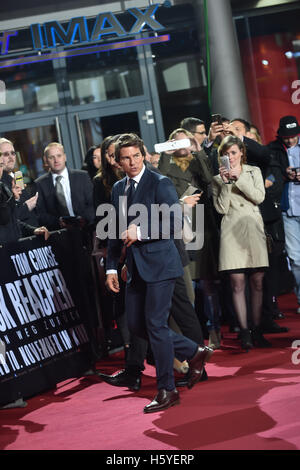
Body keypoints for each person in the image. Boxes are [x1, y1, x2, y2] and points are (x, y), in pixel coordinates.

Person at [105, 133, 213, 413]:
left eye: (137, 156)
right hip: (135, 269)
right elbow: (116, 231)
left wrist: (140, 232)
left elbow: (175, 222)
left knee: (155, 325)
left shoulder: (159, 182)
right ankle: (194, 351)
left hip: (163, 265)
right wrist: (110, 267)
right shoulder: (118, 188)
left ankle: (167, 389)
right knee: (139, 327)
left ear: (143, 156)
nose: (132, 162)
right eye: (126, 158)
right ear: (118, 162)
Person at [158, 128, 221, 350]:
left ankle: (214, 329)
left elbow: (209, 179)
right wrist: (167, 151)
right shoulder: (168, 165)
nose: (182, 145)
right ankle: (188, 337)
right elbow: (161, 178)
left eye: (185, 141)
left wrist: (199, 150)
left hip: (202, 225)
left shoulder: (197, 161)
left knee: (208, 283)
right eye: (176, 142)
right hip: (179, 227)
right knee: (187, 288)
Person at [212, 135, 270, 350]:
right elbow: (221, 209)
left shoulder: (254, 171)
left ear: (241, 153)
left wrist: (239, 179)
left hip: (253, 229)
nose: (230, 157)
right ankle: (244, 332)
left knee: (257, 282)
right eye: (226, 154)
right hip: (231, 232)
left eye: (234, 153)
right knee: (237, 283)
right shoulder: (217, 179)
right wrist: (226, 182)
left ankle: (257, 330)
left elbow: (258, 197)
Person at [268, 116, 300, 314]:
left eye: (293, 136)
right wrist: (282, 175)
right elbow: (268, 176)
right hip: (287, 211)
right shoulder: (273, 150)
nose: (290, 140)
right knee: (296, 258)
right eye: (286, 137)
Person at [35, 142, 95, 231]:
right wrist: (58, 222)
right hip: (59, 233)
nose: (56, 160)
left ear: (65, 157)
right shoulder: (40, 184)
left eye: (59, 156)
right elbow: (40, 214)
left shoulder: (83, 176)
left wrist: (84, 219)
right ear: (46, 160)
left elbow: (92, 203)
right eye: (52, 157)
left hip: (85, 229)